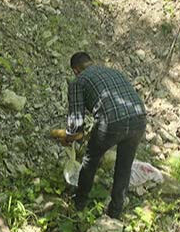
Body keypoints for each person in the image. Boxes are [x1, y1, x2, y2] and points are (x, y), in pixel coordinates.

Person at [61, 51, 147, 219]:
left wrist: (68, 137)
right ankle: (115, 213)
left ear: (75, 70)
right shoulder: (113, 72)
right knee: (124, 166)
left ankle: (79, 204)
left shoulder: (79, 81)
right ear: (92, 62)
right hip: (139, 118)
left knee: (90, 160)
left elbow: (76, 124)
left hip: (112, 122)